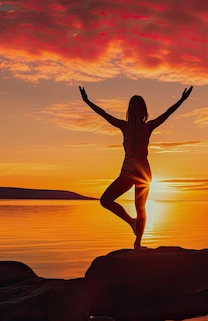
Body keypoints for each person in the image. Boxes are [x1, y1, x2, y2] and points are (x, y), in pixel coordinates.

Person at [79, 85, 193, 249]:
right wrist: (87, 101)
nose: (136, 111)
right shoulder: (124, 126)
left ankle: (138, 243)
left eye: (138, 108)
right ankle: (131, 222)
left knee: (140, 207)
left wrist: (182, 100)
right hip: (126, 173)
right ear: (130, 111)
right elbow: (103, 114)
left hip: (143, 175)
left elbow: (167, 114)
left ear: (143, 111)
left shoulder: (148, 127)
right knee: (105, 200)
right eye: (133, 107)